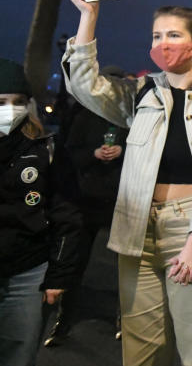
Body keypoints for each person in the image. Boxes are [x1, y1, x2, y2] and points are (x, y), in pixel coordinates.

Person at [62, 0, 192, 366]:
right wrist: (88, 16)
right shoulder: (142, 93)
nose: (162, 43)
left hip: (190, 229)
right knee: (140, 347)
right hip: (137, 225)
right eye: (156, 34)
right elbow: (84, 86)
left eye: (173, 35)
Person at [0, 59, 81, 366]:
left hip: (27, 271)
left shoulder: (45, 149)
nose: (9, 110)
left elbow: (67, 214)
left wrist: (58, 275)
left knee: (18, 353)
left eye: (17, 102)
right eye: (1, 102)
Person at [44, 65, 129, 347]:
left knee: (125, 265)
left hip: (120, 199)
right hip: (85, 198)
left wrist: (123, 151)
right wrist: (93, 154)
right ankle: (64, 319)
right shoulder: (82, 114)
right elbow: (68, 154)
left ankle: (124, 318)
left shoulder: (131, 117)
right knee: (75, 261)